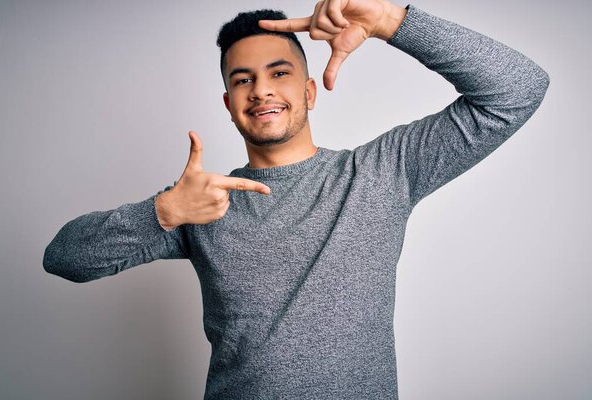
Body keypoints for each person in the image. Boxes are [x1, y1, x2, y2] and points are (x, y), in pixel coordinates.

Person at [43, 0, 550, 398]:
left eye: (278, 73)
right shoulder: (202, 201)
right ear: (229, 104)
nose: (261, 90)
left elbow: (517, 90)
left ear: (310, 90)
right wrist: (162, 213)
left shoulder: (381, 172)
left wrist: (391, 20)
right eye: (243, 80)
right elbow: (63, 258)